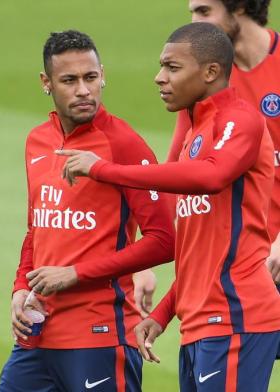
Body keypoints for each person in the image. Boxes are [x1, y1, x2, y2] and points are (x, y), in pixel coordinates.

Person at [56, 23, 280, 391]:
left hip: (237, 316)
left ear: (210, 72)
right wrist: (161, 315)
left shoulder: (241, 119)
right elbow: (198, 256)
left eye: (172, 68)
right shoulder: (194, 133)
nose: (159, 78)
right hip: (199, 325)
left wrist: (103, 169)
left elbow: (213, 176)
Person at [0, 30, 175, 392]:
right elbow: (38, 229)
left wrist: (75, 273)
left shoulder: (122, 144)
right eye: (69, 80)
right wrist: (19, 288)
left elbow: (164, 240)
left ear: (103, 75)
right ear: (46, 83)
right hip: (37, 335)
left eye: (90, 78)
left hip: (99, 337)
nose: (83, 90)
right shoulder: (37, 141)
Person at [168, 0, 280, 288]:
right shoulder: (207, 77)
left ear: (240, 6)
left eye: (204, 11)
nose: (195, 22)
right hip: (235, 263)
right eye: (192, 12)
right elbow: (176, 172)